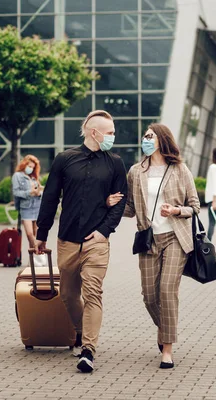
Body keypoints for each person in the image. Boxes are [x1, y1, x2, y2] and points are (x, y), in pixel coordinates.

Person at [35, 110, 128, 372]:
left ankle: (88, 349)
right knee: (67, 294)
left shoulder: (115, 163)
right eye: (109, 133)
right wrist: (42, 235)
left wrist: (104, 231)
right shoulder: (65, 159)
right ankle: (78, 331)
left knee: (93, 292)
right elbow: (50, 198)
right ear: (93, 132)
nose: (113, 137)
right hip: (67, 239)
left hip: (97, 241)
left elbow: (120, 204)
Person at [108, 123, 200, 369]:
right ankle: (166, 330)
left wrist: (176, 210)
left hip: (175, 238)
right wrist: (110, 203)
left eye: (150, 136)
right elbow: (129, 208)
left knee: (167, 291)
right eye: (144, 136)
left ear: (161, 140)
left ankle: (167, 350)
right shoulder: (136, 171)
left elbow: (195, 206)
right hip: (148, 239)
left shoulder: (180, 169)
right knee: (149, 297)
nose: (145, 140)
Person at [12, 155, 43, 251]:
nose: (31, 169)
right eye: (29, 166)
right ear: (24, 164)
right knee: (29, 234)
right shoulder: (17, 176)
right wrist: (29, 193)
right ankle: (38, 252)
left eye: (33, 167)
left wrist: (39, 193)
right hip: (26, 207)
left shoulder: (33, 177)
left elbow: (39, 190)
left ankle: (32, 260)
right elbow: (16, 192)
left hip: (37, 206)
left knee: (36, 233)